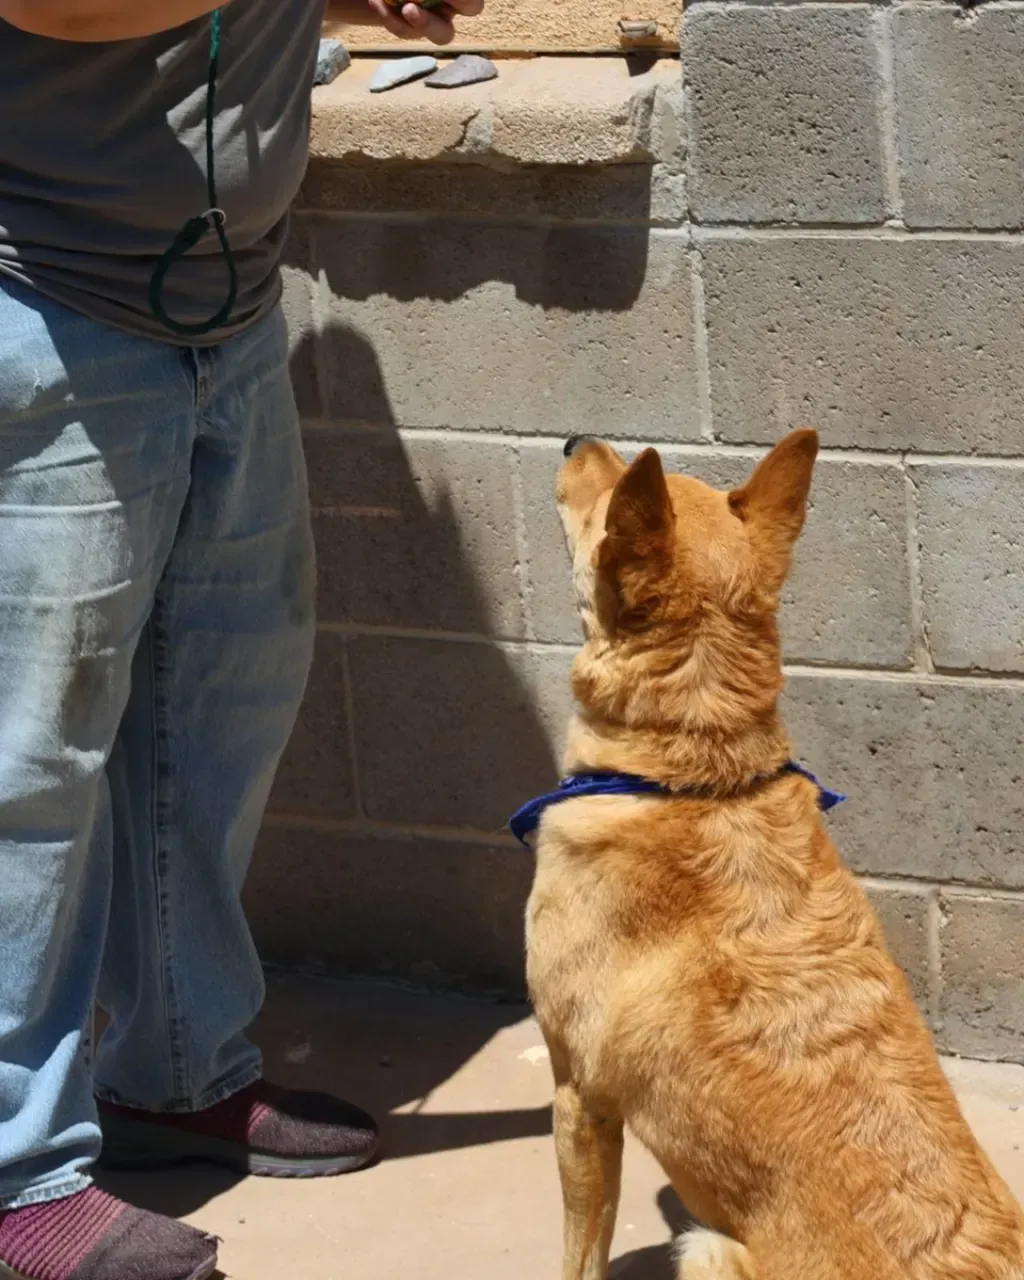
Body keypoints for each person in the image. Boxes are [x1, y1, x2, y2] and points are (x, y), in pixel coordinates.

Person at [0, 1, 483, 1277]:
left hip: (228, 306)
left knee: (215, 711)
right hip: (42, 301)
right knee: (28, 765)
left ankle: (176, 1070)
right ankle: (11, 1173)